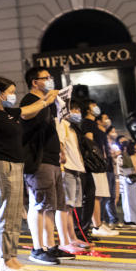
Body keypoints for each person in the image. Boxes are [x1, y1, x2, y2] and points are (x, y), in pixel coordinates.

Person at [0, 76, 58, 271]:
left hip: (16, 164)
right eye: (11, 92)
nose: (13, 96)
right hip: (0, 163)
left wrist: (46, 100)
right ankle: (5, 260)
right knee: (5, 211)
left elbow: (28, 110)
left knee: (14, 214)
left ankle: (13, 258)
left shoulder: (8, 111)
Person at [20, 67, 71, 265]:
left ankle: (51, 246)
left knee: (52, 205)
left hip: (52, 159)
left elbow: (53, 127)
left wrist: (60, 149)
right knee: (39, 203)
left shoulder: (48, 104)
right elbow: (26, 117)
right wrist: (47, 100)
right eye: (46, 78)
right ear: (35, 82)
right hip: (38, 159)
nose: (50, 81)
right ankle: (37, 248)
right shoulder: (30, 101)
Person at [55, 103, 91, 254]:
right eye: (74, 110)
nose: (77, 113)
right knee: (64, 206)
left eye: (79, 110)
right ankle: (64, 241)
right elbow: (60, 144)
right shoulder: (61, 122)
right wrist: (62, 161)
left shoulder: (72, 126)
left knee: (70, 207)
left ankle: (72, 238)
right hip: (67, 168)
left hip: (76, 168)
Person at [81, 101, 118, 237]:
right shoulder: (87, 123)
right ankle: (96, 225)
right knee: (96, 195)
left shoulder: (95, 124)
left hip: (102, 164)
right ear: (88, 109)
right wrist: (95, 156)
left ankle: (99, 223)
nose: (96, 107)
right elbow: (89, 141)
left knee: (100, 195)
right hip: (95, 164)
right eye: (93, 105)